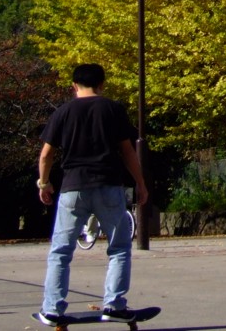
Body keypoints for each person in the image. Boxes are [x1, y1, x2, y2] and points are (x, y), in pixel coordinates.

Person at [35, 63, 148, 324]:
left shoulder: (63, 112)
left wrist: (44, 183)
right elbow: (128, 151)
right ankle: (114, 305)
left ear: (74, 85)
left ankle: (52, 309)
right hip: (109, 185)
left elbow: (46, 155)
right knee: (119, 248)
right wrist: (140, 183)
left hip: (73, 187)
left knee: (61, 251)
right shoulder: (113, 109)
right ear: (102, 84)